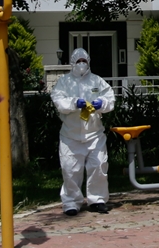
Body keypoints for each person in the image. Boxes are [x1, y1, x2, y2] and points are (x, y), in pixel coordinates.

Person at [49, 48, 116, 216]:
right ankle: (71, 202)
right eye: (78, 61)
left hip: (94, 134)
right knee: (70, 169)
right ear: (72, 63)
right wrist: (74, 103)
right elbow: (58, 101)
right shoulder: (64, 82)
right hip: (70, 136)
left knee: (98, 166)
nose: (81, 64)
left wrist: (102, 103)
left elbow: (110, 98)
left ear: (88, 62)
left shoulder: (97, 81)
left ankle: (97, 200)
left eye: (84, 61)